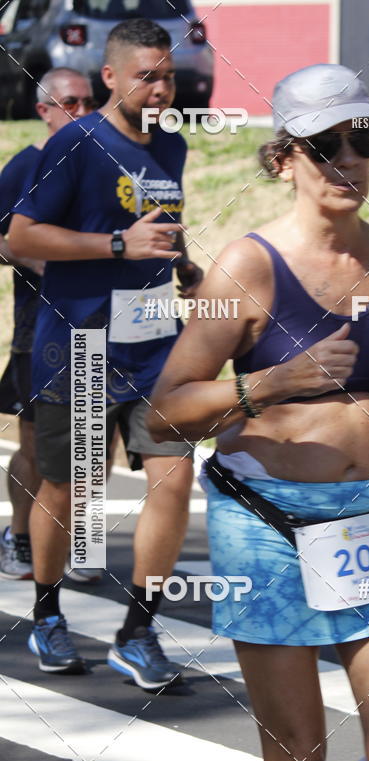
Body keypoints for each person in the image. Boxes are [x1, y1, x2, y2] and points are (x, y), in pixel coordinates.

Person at [148, 64, 369, 761]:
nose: (350, 160)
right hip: (268, 525)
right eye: (327, 145)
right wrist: (267, 384)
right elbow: (163, 411)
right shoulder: (247, 266)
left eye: (368, 141)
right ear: (285, 157)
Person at [8, 18, 203, 689]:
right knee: (68, 487)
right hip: (82, 344)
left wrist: (189, 271)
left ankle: (138, 629)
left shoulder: (172, 148)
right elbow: (21, 236)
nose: (160, 88)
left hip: (157, 348)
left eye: (168, 75)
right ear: (111, 78)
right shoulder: (76, 144)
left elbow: (166, 230)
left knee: (174, 479)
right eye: (146, 75)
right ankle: (47, 614)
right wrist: (116, 247)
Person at [0, 67, 97, 580]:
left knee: (90, 444)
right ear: (44, 110)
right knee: (37, 444)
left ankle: (81, 540)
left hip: (98, 328)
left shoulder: (105, 162)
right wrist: (36, 259)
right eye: (71, 103)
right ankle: (18, 536)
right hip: (38, 334)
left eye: (88, 102)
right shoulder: (26, 166)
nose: (83, 111)